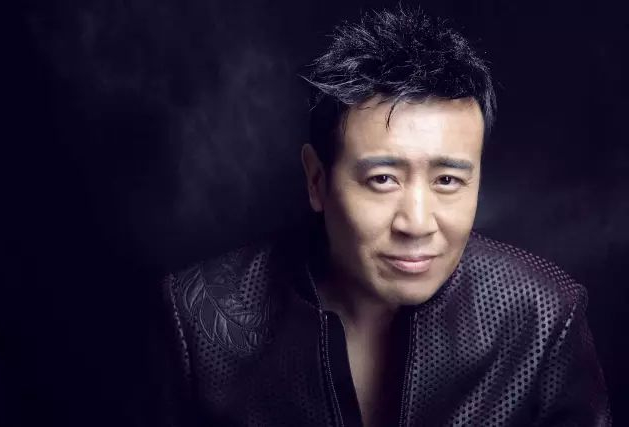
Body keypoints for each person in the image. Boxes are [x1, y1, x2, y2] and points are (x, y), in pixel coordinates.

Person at [158, 6, 611, 426]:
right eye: (383, 179)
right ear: (317, 180)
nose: (417, 224)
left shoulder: (544, 317)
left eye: (447, 180)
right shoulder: (198, 320)